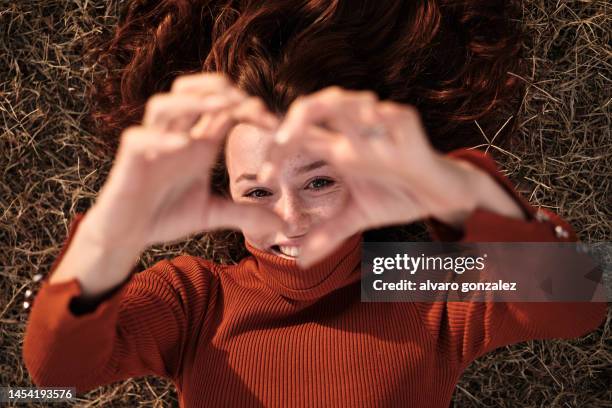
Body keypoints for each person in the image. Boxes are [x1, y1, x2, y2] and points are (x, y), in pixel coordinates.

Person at [22, 1, 607, 407]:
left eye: (319, 183)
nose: (290, 219)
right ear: (226, 196)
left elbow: (580, 292)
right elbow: (56, 374)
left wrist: (453, 187)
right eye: (257, 191)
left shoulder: (411, 281)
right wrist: (112, 233)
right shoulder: (196, 300)